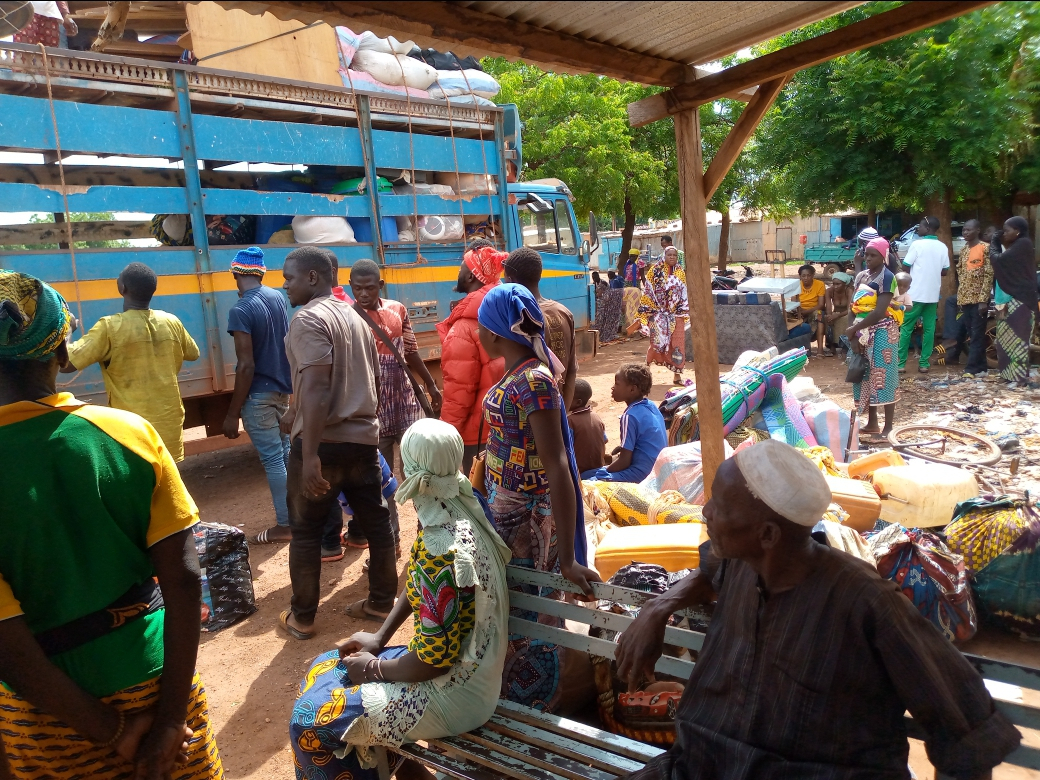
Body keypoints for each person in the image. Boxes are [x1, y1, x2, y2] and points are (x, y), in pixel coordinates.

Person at [616, 439, 1021, 779]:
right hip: (703, 766)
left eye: (719, 507)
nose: (705, 513)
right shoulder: (744, 564)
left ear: (768, 534)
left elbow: (967, 728)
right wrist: (660, 606)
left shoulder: (869, 603)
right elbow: (709, 568)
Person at [0, 270, 223, 780]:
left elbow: (6, 643)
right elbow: (184, 578)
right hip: (156, 677)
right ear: (61, 354)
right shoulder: (127, 434)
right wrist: (168, 722)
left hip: (47, 714)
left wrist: (112, 731)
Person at [290, 418, 512, 780]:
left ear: (411, 469)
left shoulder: (441, 546)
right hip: (474, 673)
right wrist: (379, 639)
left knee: (309, 723)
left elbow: (433, 661)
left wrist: (374, 667)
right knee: (326, 664)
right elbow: (418, 582)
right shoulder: (464, 507)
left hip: (456, 695)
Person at [476, 283, 601, 712]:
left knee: (534, 617)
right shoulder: (520, 375)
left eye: (480, 323)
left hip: (527, 523)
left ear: (494, 332)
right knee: (516, 613)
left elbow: (558, 465)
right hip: (507, 516)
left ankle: (539, 709)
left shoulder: (533, 380)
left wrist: (567, 557)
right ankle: (519, 704)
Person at [279, 247, 397, 638]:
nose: (285, 285)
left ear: (313, 278)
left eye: (289, 277)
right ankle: (381, 603)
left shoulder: (307, 319)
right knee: (377, 523)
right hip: (364, 440)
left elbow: (316, 386)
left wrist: (309, 453)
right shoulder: (357, 318)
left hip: (323, 443)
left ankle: (303, 618)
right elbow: (369, 380)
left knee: (307, 531)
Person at [64, 262, 200, 462]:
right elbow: (193, 353)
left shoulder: (110, 327)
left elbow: (66, 364)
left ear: (122, 288)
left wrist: (67, 330)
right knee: (166, 483)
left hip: (131, 431)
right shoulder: (171, 321)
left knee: (140, 487)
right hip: (168, 423)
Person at [220, 247, 295, 543]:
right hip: (281, 391)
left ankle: (286, 524)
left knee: (274, 460)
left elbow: (246, 365)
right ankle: (298, 515)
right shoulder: (277, 297)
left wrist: (231, 413)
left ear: (236, 273)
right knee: (287, 455)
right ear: (261, 272)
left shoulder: (240, 310)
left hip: (259, 397)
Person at [437, 242, 507, 474]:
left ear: (470, 276)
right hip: (508, 425)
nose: (458, 273)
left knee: (479, 500)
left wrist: (446, 436)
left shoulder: (464, 327)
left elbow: (458, 391)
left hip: (477, 434)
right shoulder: (507, 311)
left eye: (461, 268)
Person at [503, 246, 578, 408]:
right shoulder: (564, 312)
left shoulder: (518, 318)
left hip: (532, 413)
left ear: (510, 280)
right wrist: (564, 413)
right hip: (559, 411)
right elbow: (571, 370)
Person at [847, 238, 902, 437]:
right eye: (866, 254)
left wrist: (853, 330)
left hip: (883, 332)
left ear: (883, 256)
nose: (868, 258)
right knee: (866, 375)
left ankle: (888, 427)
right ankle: (872, 423)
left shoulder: (888, 277)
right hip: (862, 331)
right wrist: (852, 332)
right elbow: (853, 307)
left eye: (873, 255)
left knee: (884, 377)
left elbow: (879, 311)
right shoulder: (861, 276)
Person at [581, 364, 667, 483]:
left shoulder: (629, 415)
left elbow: (624, 462)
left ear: (632, 389)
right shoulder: (651, 405)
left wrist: (604, 472)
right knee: (587, 474)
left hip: (641, 474)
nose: (613, 388)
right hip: (658, 468)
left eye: (617, 384)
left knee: (587, 480)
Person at [990, 216, 1038, 387]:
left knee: (1018, 339)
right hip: (1007, 300)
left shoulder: (1023, 244)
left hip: (1020, 300)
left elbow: (999, 260)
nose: (1004, 232)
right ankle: (1007, 374)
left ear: (1017, 231)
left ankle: (1018, 377)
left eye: (1007, 229)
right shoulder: (1015, 245)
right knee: (1003, 339)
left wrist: (994, 244)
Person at [898, 216, 949, 374]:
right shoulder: (943, 247)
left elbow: (906, 267)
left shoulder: (917, 244)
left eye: (919, 226)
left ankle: (900, 364)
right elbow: (945, 271)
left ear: (927, 228)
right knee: (929, 330)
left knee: (906, 328)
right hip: (932, 295)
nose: (917, 229)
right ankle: (924, 363)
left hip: (915, 294)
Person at [633, 245, 689, 384]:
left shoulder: (680, 272)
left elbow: (684, 293)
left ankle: (677, 376)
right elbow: (648, 292)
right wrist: (648, 311)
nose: (672, 257)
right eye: (669, 254)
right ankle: (645, 370)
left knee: (678, 345)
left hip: (676, 314)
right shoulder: (655, 271)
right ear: (664, 255)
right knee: (656, 343)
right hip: (658, 314)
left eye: (674, 255)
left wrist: (682, 310)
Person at [946, 220, 992, 376]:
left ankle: (971, 368)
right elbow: (962, 275)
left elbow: (988, 275)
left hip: (979, 301)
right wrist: (960, 299)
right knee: (972, 334)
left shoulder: (985, 248)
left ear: (978, 230)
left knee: (977, 334)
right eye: (964, 230)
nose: (965, 233)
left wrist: (982, 300)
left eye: (968, 230)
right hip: (965, 299)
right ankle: (982, 367)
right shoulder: (965, 249)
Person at [568, 378, 607, 474]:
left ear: (578, 402)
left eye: (567, 396)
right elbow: (604, 440)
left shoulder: (570, 421)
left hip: (579, 473)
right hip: (598, 469)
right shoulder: (596, 417)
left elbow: (566, 448)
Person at [794, 264, 829, 357]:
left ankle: (820, 349)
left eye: (809, 275)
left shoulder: (820, 284)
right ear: (800, 276)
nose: (806, 278)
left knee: (820, 315)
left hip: (814, 310)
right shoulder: (795, 285)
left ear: (813, 275)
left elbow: (821, 305)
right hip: (799, 310)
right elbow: (794, 303)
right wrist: (799, 311)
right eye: (803, 276)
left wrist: (805, 312)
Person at [13, 1, 77, 48]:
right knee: (23, 54)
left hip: (49, 11)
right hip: (25, 8)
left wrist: (65, 14)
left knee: (51, 57)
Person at [824, 272, 853, 357]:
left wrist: (837, 315)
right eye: (834, 284)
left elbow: (849, 309)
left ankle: (845, 345)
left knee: (846, 318)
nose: (835, 286)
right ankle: (831, 346)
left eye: (838, 284)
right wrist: (829, 316)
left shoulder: (849, 290)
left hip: (846, 313)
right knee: (826, 318)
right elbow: (828, 307)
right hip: (836, 313)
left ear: (845, 284)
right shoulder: (829, 291)